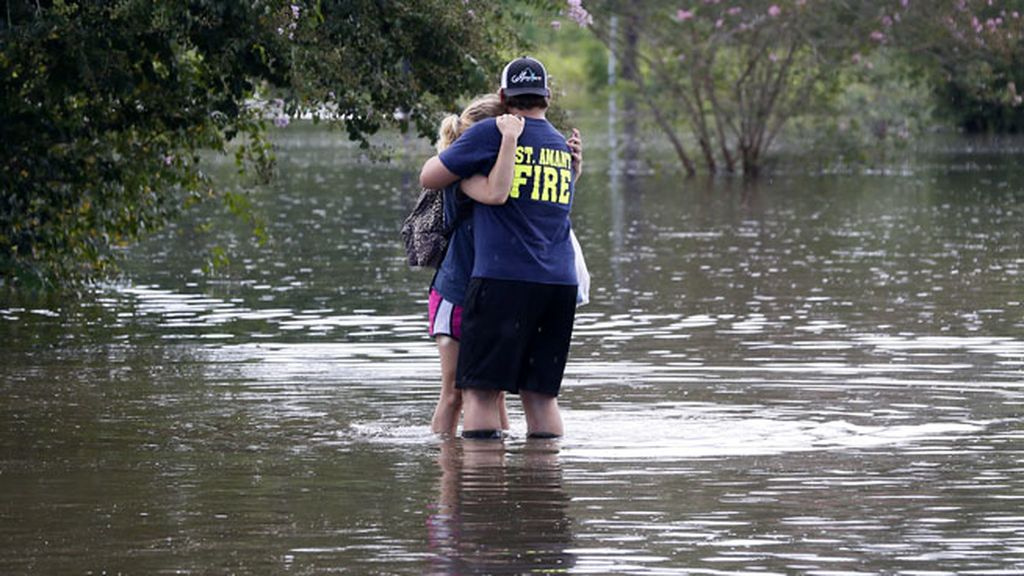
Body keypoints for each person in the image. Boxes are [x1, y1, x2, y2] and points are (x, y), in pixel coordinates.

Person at [420, 56, 580, 439]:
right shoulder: (560, 145)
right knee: (541, 398)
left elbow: (429, 177)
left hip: (503, 280)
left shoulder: (493, 131)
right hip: (559, 284)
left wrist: (479, 155)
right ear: (547, 96)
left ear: (503, 96)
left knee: (480, 394)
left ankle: (483, 479)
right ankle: (544, 476)